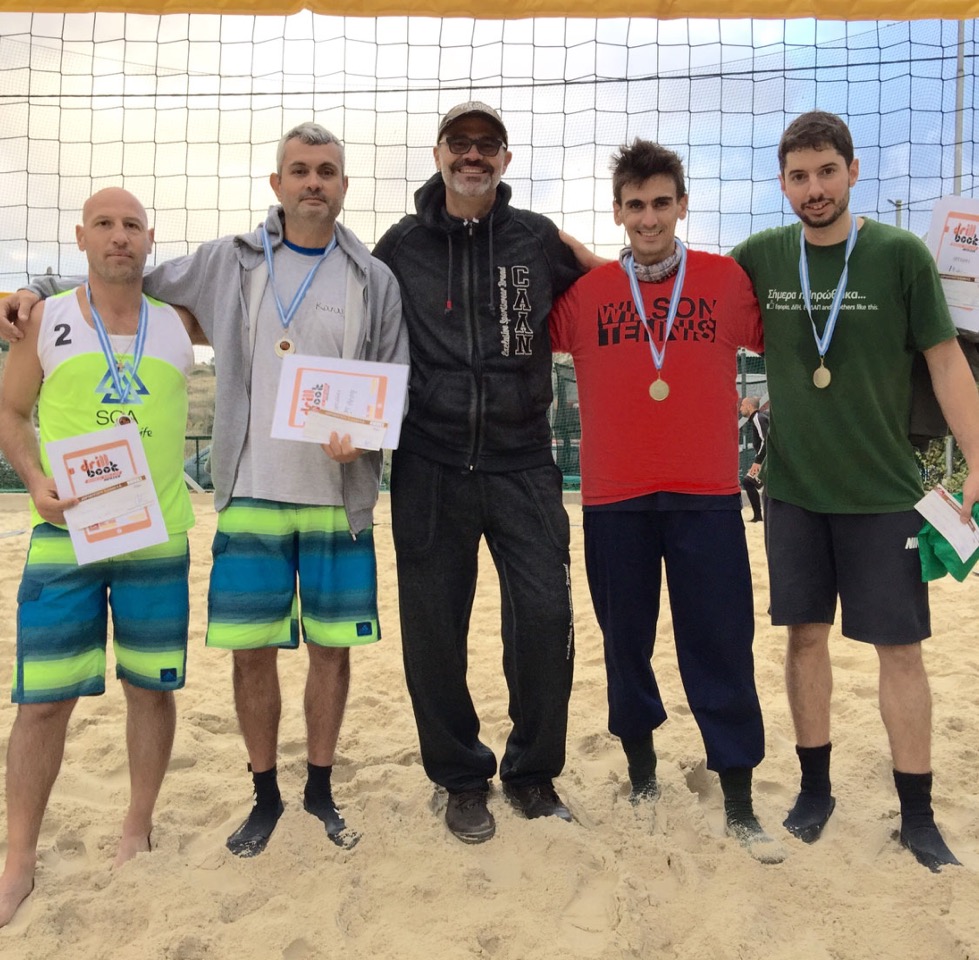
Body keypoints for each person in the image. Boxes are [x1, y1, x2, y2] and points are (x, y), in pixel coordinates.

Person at [4, 123, 408, 858]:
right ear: (276, 184)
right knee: (250, 654)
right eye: (298, 170)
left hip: (337, 493)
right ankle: (265, 795)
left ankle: (319, 788)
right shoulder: (230, 261)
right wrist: (38, 289)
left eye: (326, 170)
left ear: (344, 185)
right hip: (249, 489)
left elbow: (391, 383)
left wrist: (371, 437)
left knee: (330, 652)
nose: (312, 181)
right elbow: (125, 277)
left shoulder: (374, 279)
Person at [730, 110, 979, 871]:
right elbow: (690, 301)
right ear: (781, 183)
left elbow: (945, 365)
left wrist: (976, 469)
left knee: (899, 652)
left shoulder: (899, 256)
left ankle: (917, 815)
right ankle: (815, 791)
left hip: (884, 492)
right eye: (798, 176)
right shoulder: (761, 257)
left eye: (825, 172)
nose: (813, 189)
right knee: (803, 641)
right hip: (796, 492)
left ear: (852, 171)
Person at [549, 138, 784, 863]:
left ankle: (739, 797)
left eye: (660, 203)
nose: (647, 218)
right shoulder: (584, 297)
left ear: (682, 205)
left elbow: (791, 339)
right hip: (614, 499)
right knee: (624, 645)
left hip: (707, 493)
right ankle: (642, 773)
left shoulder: (723, 280)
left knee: (718, 642)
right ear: (616, 212)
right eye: (633, 205)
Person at [372, 101, 582, 843]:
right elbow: (342, 312)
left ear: (504, 160)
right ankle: (461, 777)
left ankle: (531, 772)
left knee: (546, 619)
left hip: (523, 460)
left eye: (486, 145)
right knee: (433, 631)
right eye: (459, 144)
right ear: (436, 154)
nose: (472, 155)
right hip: (428, 460)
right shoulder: (399, 245)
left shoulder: (537, 239)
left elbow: (613, 283)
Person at [0, 188, 202, 926]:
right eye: (106, 226)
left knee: (151, 690)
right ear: (81, 236)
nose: (120, 237)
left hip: (157, 536)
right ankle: (19, 856)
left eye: (133, 226)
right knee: (42, 701)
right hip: (67, 534)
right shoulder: (45, 318)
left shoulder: (180, 325)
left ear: (151, 238)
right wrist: (33, 480)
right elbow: (9, 411)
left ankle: (136, 825)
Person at [739, 395, 769, 522]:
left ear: (749, 406)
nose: (740, 409)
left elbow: (765, 440)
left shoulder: (758, 418)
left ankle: (758, 516)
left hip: (765, 460)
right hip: (765, 459)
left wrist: (758, 461)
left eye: (742, 406)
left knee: (747, 482)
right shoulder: (758, 418)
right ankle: (759, 515)